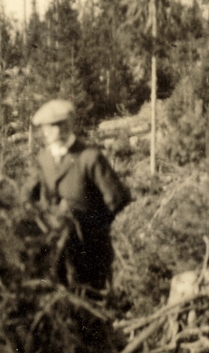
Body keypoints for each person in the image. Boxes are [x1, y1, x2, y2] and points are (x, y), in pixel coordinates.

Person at [25, 98, 131, 291]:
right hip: (58, 250)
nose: (50, 132)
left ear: (68, 125)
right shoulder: (44, 159)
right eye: (46, 128)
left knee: (93, 299)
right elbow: (32, 195)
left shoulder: (89, 157)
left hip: (91, 249)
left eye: (56, 126)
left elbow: (118, 198)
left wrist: (94, 226)